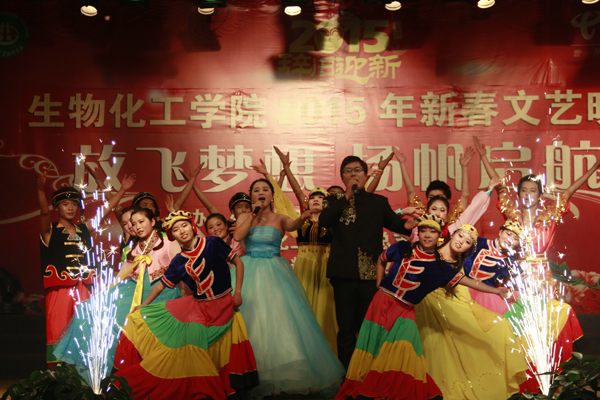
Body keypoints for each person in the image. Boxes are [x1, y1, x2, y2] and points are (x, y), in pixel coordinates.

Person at [336, 217, 514, 400]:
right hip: (382, 302)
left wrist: (496, 291)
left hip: (406, 311)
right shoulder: (403, 247)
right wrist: (379, 284)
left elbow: (469, 282)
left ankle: (392, 389)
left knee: (404, 350)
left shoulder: (442, 268)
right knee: (374, 344)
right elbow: (382, 259)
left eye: (433, 232)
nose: (427, 235)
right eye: (423, 231)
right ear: (419, 232)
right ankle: (369, 386)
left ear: (439, 235)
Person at [113, 210, 258, 400]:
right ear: (171, 235)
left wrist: (237, 293)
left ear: (192, 225)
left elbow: (239, 263)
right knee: (187, 345)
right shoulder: (179, 261)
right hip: (198, 309)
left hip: (223, 307)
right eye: (175, 229)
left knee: (201, 346)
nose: (181, 231)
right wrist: (144, 305)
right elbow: (161, 286)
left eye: (184, 225)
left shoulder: (213, 243)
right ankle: (197, 389)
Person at [233, 178, 345, 399]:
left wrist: (302, 217)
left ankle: (278, 376)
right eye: (257, 190)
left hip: (274, 271)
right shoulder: (245, 217)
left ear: (272, 195)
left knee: (276, 322)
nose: (261, 193)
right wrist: (254, 213)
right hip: (249, 269)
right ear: (251, 195)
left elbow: (293, 225)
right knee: (251, 321)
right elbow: (237, 236)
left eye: (265, 189)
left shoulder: (280, 218)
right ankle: (249, 373)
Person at [53, 207, 184, 381]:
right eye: (133, 224)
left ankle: (109, 372)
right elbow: (122, 275)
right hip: (132, 289)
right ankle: (90, 372)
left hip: (161, 292)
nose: (137, 227)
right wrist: (104, 292)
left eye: (141, 222)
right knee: (90, 309)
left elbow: (182, 271)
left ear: (153, 221)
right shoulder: (136, 247)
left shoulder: (168, 241)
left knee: (120, 323)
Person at [319, 155, 415, 371]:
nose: (353, 174)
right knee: (346, 330)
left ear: (365, 174)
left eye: (357, 170)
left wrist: (406, 225)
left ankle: (366, 373)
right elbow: (324, 221)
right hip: (343, 275)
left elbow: (394, 222)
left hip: (371, 275)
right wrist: (346, 195)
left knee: (368, 328)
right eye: (348, 171)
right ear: (342, 177)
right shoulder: (333, 200)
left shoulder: (378, 202)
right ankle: (346, 376)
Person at [414, 223, 529, 400]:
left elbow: (464, 283)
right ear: (454, 234)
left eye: (468, 242)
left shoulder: (460, 262)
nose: (462, 242)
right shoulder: (431, 248)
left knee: (498, 327)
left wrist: (493, 293)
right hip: (424, 301)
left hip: (459, 297)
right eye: (460, 236)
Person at [37, 171, 134, 365]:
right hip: (60, 288)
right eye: (65, 204)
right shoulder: (49, 231)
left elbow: (105, 210)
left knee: (85, 327)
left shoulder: (83, 229)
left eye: (74, 204)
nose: (70, 208)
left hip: (84, 286)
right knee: (58, 328)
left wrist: (123, 189)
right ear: (57, 207)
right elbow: (44, 213)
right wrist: (40, 189)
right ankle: (56, 374)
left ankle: (82, 372)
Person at [406, 177, 503, 244]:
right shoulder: (417, 230)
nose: (437, 213)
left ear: (447, 213)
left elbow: (473, 209)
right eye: (434, 209)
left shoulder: (453, 229)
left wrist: (489, 189)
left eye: (442, 210)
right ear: (427, 210)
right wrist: (402, 212)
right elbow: (396, 224)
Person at [393, 146, 475, 224]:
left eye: (440, 197)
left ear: (447, 201)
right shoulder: (421, 216)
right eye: (431, 197)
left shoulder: (453, 220)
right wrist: (402, 163)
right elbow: (410, 191)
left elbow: (465, 195)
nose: (436, 200)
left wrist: (464, 167)